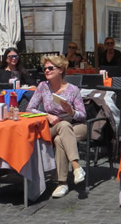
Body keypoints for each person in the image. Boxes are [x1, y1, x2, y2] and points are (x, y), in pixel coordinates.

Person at [26, 55, 87, 198]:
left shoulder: (73, 90)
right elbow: (30, 109)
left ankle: (62, 183)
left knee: (61, 139)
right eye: (45, 68)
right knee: (63, 127)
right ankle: (77, 168)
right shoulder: (43, 87)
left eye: (50, 68)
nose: (46, 71)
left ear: (61, 70)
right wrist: (46, 115)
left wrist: (71, 111)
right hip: (52, 125)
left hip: (76, 125)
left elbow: (83, 115)